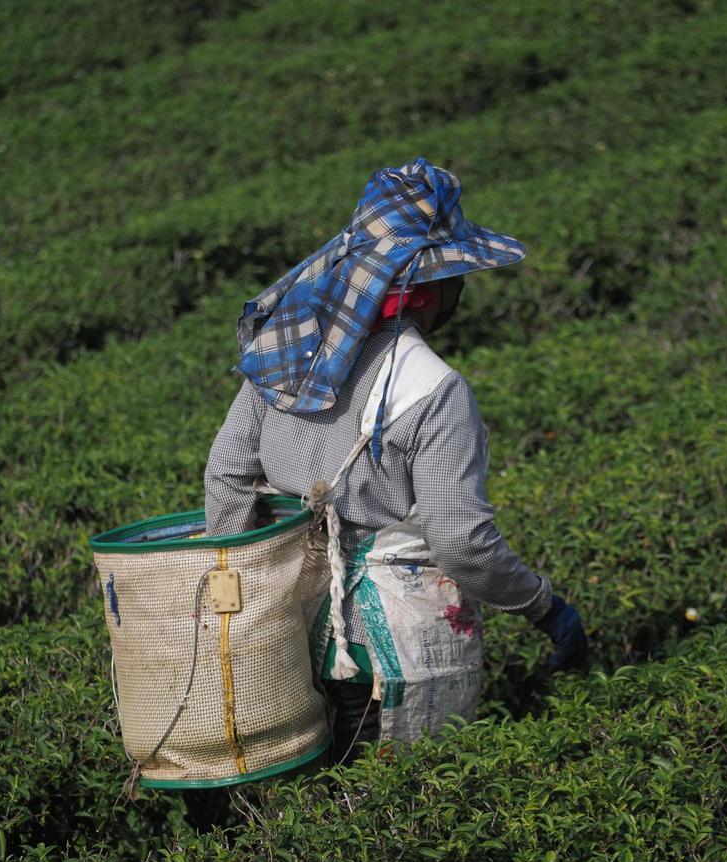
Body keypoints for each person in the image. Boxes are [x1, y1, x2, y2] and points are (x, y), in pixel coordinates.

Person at [205, 158, 587, 763]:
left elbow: (226, 478)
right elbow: (462, 545)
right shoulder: (433, 388)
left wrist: (244, 603)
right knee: (395, 820)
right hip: (397, 659)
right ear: (431, 289)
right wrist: (544, 606)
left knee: (313, 816)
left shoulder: (283, 359)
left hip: (292, 641)